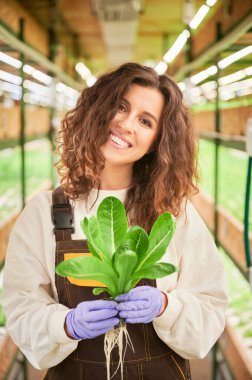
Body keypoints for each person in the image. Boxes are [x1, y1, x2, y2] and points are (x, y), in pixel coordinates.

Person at [3, 62, 227, 379]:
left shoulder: (174, 213)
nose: (126, 124)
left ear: (157, 143)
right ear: (98, 110)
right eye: (120, 107)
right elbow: (21, 308)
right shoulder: (44, 212)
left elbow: (210, 307)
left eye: (146, 121)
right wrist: (64, 325)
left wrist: (166, 306)